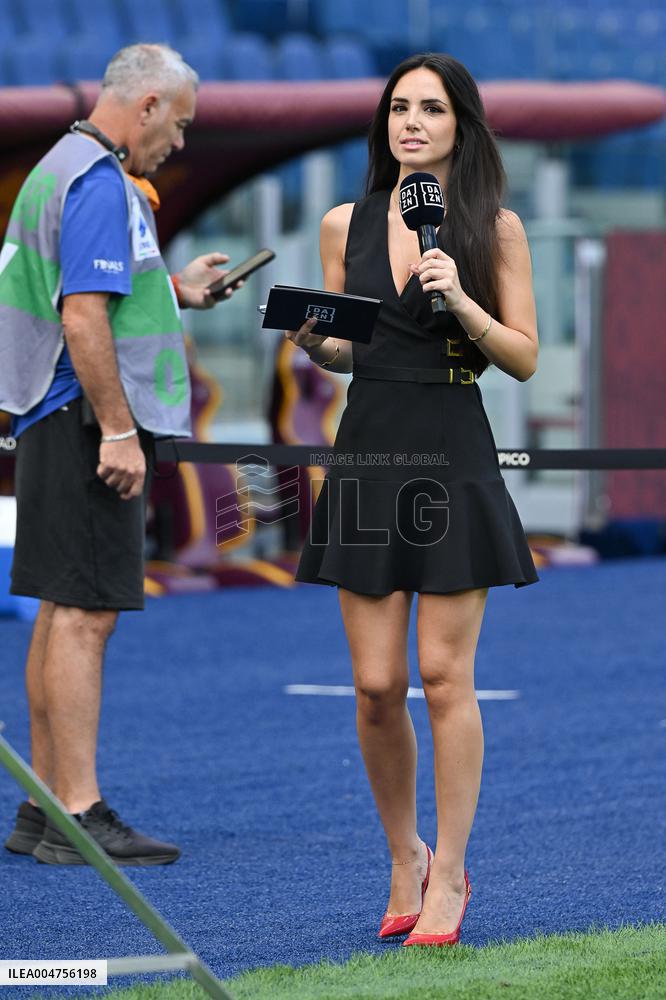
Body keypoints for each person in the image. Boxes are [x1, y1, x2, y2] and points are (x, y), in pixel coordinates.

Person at [287, 53, 539, 945]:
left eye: (432, 108)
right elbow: (360, 348)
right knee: (373, 685)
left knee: (443, 677)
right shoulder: (342, 222)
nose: (413, 122)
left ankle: (453, 872)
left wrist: (461, 303)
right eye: (400, 107)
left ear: (461, 126)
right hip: (367, 452)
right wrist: (321, 347)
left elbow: (522, 355)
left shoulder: (494, 228)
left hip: (453, 449)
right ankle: (406, 853)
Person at [1, 44, 240, 866]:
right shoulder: (101, 181)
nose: (180, 141)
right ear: (144, 107)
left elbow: (91, 289)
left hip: (46, 413)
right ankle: (78, 809)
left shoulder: (61, 165)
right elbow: (82, 317)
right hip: (81, 420)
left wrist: (174, 288)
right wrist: (117, 429)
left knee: (60, 610)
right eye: (178, 123)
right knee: (84, 616)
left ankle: (41, 808)